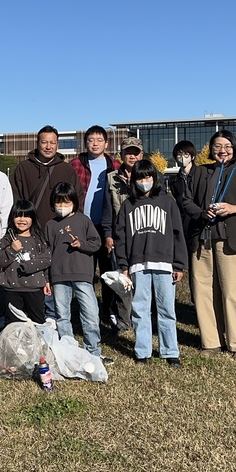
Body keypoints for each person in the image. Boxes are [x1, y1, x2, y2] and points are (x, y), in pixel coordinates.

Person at [183, 130, 236, 360]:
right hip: (204, 238)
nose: (222, 150)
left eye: (227, 145)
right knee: (203, 292)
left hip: (233, 240)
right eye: (217, 146)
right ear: (210, 149)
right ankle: (211, 341)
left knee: (234, 292)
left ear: (235, 148)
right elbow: (186, 201)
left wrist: (233, 208)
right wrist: (201, 213)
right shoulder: (200, 172)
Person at [114, 160, 188, 367]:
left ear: (155, 178)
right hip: (138, 264)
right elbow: (121, 237)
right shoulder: (128, 205)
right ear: (133, 180)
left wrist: (179, 264)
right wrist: (124, 265)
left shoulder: (168, 203)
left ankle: (170, 351)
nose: (144, 181)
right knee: (140, 309)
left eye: (148, 177)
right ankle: (142, 351)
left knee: (166, 309)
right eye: (140, 178)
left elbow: (177, 234)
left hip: (165, 264)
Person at [45, 182, 111, 364]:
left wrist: (81, 244)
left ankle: (93, 351)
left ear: (74, 202)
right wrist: (46, 278)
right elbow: (46, 252)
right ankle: (69, 352)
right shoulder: (50, 225)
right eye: (59, 203)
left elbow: (96, 243)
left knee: (90, 313)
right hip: (58, 276)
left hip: (82, 275)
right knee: (62, 316)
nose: (62, 207)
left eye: (66, 202)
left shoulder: (83, 220)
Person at [70, 125, 120, 331]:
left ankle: (109, 311)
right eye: (91, 140)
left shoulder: (114, 165)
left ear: (106, 143)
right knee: (84, 272)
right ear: (86, 143)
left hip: (106, 227)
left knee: (108, 271)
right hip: (83, 225)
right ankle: (85, 311)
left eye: (99, 140)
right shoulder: (75, 164)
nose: (95, 143)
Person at [100, 136, 144, 335]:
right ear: (122, 155)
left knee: (142, 281)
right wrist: (108, 234)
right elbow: (108, 209)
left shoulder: (150, 175)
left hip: (144, 235)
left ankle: (143, 319)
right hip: (121, 238)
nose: (132, 156)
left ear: (141, 155)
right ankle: (124, 321)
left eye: (135, 152)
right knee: (123, 281)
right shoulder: (112, 177)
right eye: (128, 152)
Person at [0, 200, 52, 324]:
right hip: (11, 288)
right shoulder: (8, 239)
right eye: (18, 215)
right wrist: (11, 250)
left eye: (27, 216)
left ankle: (38, 343)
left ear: (33, 219)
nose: (22, 219)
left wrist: (46, 280)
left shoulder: (39, 239)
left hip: (34, 288)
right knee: (13, 323)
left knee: (37, 321)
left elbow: (46, 260)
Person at [11, 125, 80, 227]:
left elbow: (77, 198)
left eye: (52, 143)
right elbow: (15, 198)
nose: (48, 147)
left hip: (61, 228)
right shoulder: (23, 168)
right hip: (31, 229)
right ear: (37, 143)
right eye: (44, 142)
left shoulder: (67, 169)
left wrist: (75, 224)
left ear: (57, 145)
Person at [169, 140, 205, 285]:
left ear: (193, 156)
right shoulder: (174, 180)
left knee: (200, 265)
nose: (182, 157)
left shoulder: (201, 174)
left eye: (186, 154)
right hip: (182, 223)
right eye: (179, 154)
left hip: (199, 221)